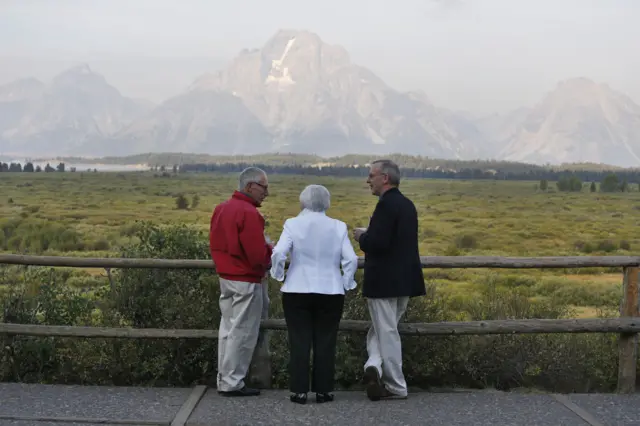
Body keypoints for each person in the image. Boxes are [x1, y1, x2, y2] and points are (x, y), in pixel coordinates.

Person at [270, 184, 359, 405]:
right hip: (331, 290)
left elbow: (279, 252)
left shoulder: (292, 224)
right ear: (326, 203)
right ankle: (324, 391)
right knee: (326, 341)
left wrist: (279, 274)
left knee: (299, 340)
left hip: (297, 289)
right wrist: (346, 282)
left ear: (302, 202)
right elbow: (352, 259)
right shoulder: (338, 226)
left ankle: (299, 391)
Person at [353, 159, 426, 401]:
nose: (368, 180)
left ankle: (396, 385)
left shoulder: (385, 206)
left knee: (386, 332)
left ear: (384, 178)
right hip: (405, 280)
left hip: (383, 281)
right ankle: (372, 366)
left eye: (371, 175)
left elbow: (379, 244)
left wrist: (362, 238)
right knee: (382, 330)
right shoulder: (407, 204)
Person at [209, 166, 273, 397]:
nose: (266, 192)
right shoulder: (249, 214)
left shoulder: (221, 209)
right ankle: (233, 382)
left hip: (225, 277)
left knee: (227, 329)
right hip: (246, 279)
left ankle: (224, 378)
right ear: (250, 186)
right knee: (243, 331)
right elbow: (257, 256)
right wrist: (270, 253)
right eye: (263, 187)